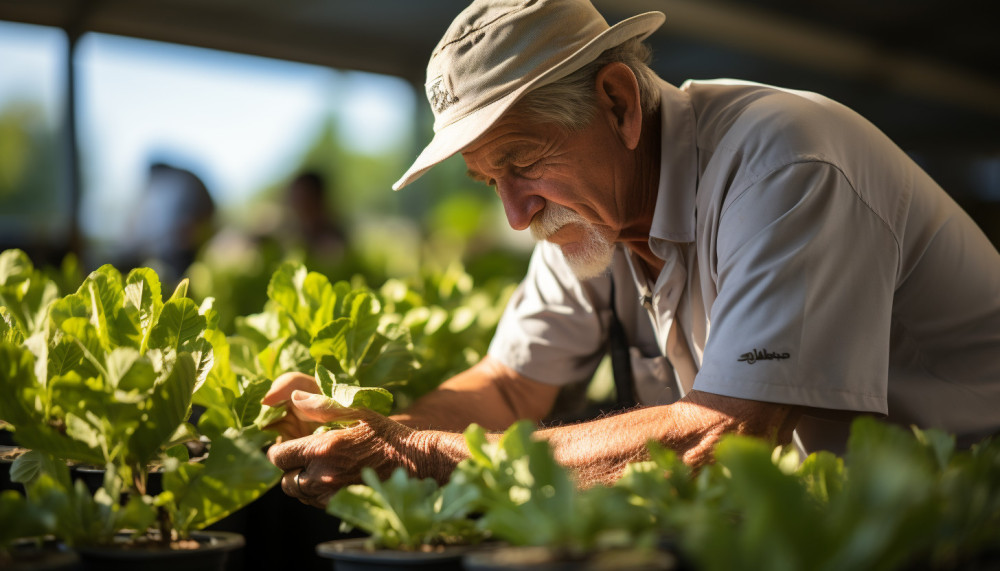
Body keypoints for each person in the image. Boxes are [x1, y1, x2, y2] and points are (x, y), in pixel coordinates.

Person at [264, 0, 1000, 508]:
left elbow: (725, 431)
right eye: (491, 181)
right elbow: (510, 386)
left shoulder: (784, 163)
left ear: (617, 102)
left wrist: (415, 455)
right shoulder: (589, 216)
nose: (516, 215)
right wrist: (355, 432)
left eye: (521, 161)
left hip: (965, 517)